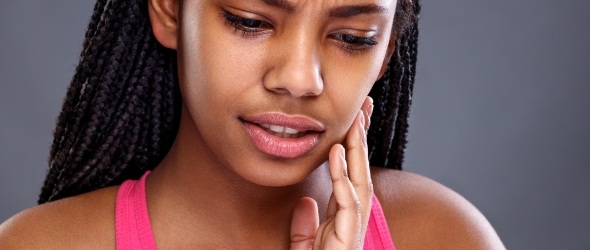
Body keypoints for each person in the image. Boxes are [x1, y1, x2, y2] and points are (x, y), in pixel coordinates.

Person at [0, 0, 505, 248]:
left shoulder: (443, 236)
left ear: (387, 49)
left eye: (353, 37)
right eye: (250, 20)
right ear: (170, 11)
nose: (299, 79)